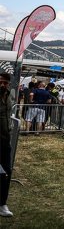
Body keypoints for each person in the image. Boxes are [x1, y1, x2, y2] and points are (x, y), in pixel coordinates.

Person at [0, 73, 14, 217]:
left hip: (5, 140)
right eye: (1, 82)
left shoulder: (8, 96)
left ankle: (2, 203)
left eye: (5, 83)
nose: (3, 85)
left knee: (6, 173)